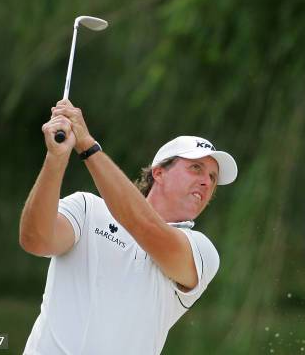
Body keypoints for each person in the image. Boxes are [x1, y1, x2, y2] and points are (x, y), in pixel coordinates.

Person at [19, 99, 237, 354]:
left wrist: (88, 146)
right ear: (159, 173)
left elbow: (142, 225)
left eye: (212, 177)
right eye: (196, 168)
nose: (206, 182)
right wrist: (55, 159)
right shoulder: (87, 209)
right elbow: (35, 240)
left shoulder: (202, 251)